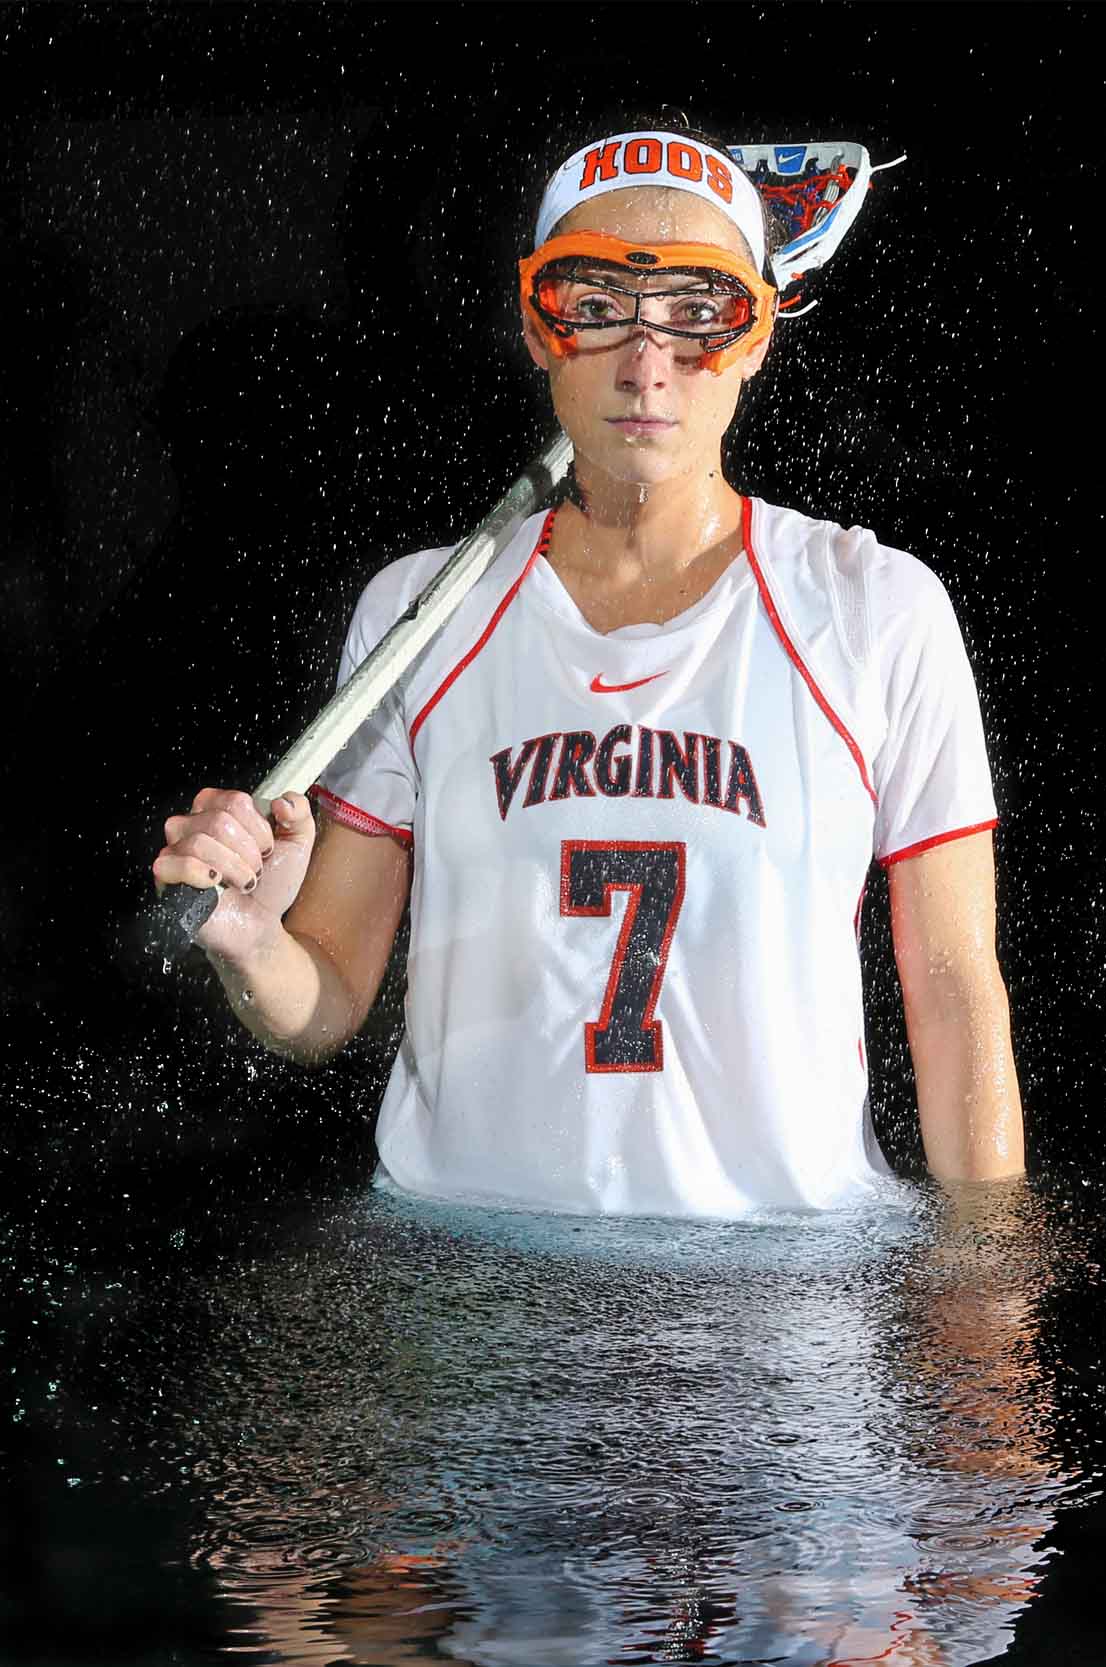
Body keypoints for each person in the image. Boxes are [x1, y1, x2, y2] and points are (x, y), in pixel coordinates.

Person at [149, 124, 1025, 1214]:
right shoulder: (419, 614)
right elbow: (323, 999)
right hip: (476, 1276)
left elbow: (951, 992)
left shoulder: (874, 608)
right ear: (537, 327)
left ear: (756, 335)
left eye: (699, 313)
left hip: (786, 1289)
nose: (646, 364)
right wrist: (243, 935)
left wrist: (991, 1300)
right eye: (597, 305)